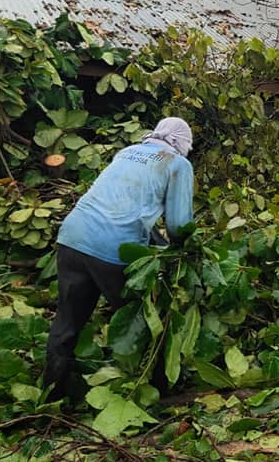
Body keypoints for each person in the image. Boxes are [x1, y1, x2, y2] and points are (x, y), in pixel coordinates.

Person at [42, 117, 195, 400]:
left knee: (67, 321)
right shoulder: (177, 164)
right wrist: (184, 252)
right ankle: (162, 390)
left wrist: (155, 242)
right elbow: (178, 225)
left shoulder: (126, 153)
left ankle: (51, 398)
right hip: (112, 250)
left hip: (73, 238)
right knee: (145, 320)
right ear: (182, 143)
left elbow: (123, 206)